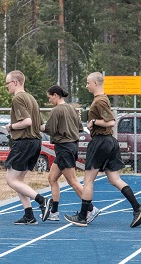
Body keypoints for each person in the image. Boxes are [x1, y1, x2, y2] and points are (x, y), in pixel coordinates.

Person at [64, 72, 141, 227]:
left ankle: (83, 216)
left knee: (88, 180)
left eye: (88, 82)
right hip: (109, 142)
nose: (86, 85)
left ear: (96, 83)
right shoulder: (102, 99)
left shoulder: (100, 101)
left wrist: (94, 121)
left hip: (101, 142)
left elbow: (110, 122)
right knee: (114, 179)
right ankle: (137, 207)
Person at [40, 85, 100, 223]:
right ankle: (54, 212)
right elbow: (79, 127)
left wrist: (38, 126)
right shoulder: (72, 109)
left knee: (72, 181)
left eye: (49, 98)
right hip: (70, 146)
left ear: (55, 95)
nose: (49, 101)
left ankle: (90, 209)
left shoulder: (57, 110)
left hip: (64, 148)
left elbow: (49, 129)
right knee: (52, 178)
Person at [4, 70, 52, 225]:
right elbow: (41, 125)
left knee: (11, 179)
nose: (7, 87)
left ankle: (42, 200)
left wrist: (11, 126)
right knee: (19, 180)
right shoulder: (31, 98)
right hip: (35, 142)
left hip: (24, 142)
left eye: (8, 83)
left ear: (16, 82)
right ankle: (29, 215)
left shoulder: (18, 98)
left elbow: (27, 122)